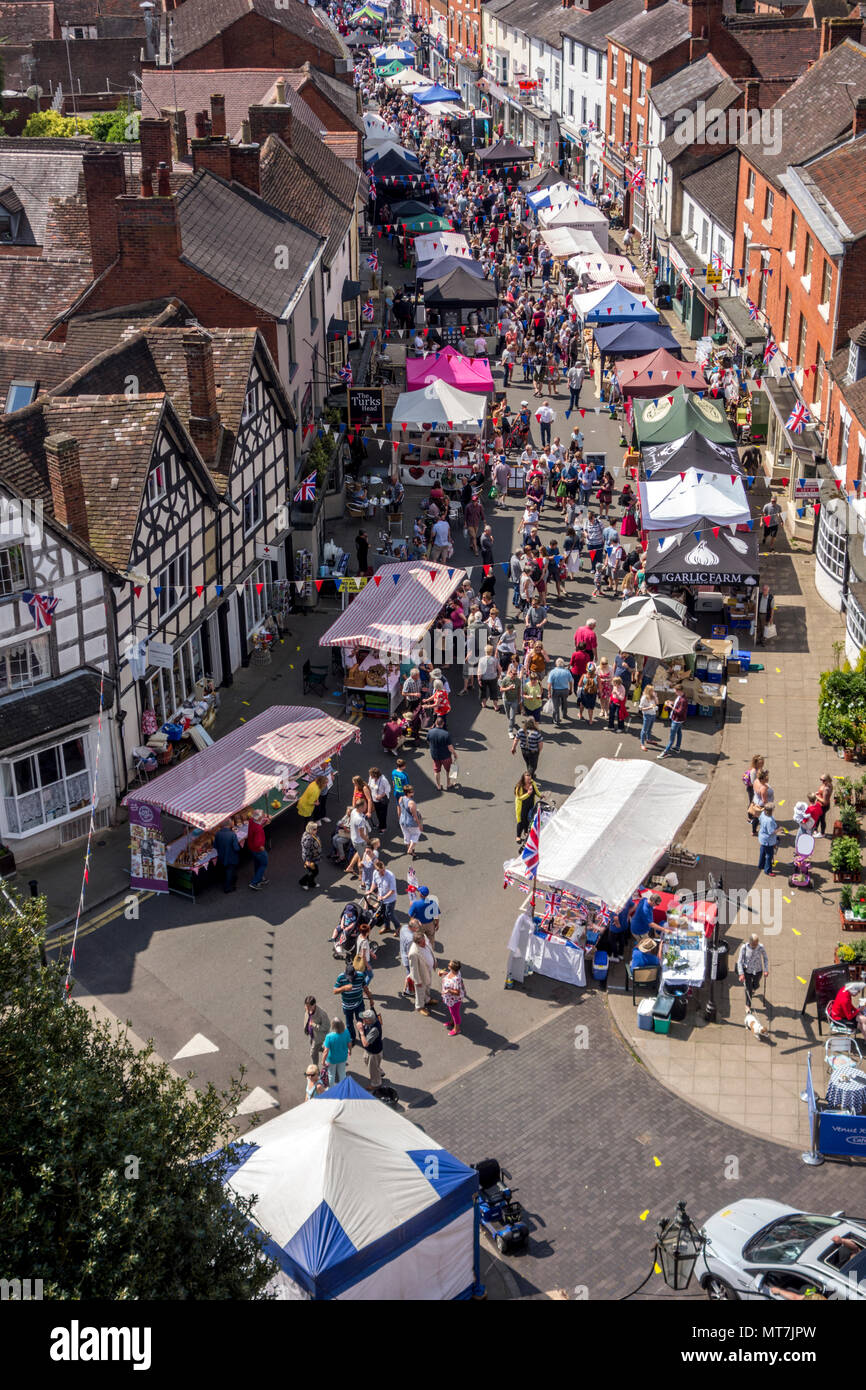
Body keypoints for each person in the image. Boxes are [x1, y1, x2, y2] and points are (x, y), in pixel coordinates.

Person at [333, 965, 371, 1045]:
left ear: (355, 973)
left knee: (361, 1022)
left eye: (351, 977)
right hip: (347, 1007)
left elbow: (365, 987)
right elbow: (335, 991)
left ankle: (362, 1037)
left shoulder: (360, 976)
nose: (350, 979)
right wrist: (344, 988)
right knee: (349, 1024)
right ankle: (352, 1038)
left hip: (359, 1004)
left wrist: (371, 999)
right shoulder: (341, 977)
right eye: (348, 977)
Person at [737, 933, 769, 1009]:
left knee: (756, 985)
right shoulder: (744, 948)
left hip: (758, 970)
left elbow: (765, 958)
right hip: (747, 971)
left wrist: (766, 970)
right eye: (753, 945)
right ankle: (748, 1005)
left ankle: (754, 988)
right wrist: (741, 973)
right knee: (748, 988)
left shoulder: (761, 947)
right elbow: (740, 961)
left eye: (756, 944)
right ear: (750, 942)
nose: (754, 946)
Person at [356, 1008, 385, 1089]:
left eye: (364, 1019)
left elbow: (365, 1043)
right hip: (371, 1050)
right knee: (366, 1060)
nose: (362, 1019)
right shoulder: (372, 1020)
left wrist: (361, 1031)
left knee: (372, 1068)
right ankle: (379, 1072)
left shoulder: (374, 1029)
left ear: (369, 1020)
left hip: (374, 1052)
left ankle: (376, 1083)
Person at [408, 931, 435, 1015]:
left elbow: (430, 950)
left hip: (428, 970)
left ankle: (427, 999)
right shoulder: (413, 953)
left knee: (428, 985)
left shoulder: (424, 939)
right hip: (420, 975)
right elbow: (413, 969)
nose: (424, 943)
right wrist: (417, 981)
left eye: (424, 941)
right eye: (422, 943)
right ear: (416, 943)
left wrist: (434, 961)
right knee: (420, 991)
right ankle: (420, 1007)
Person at [438, 960, 466, 1037]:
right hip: (450, 998)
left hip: (454, 1000)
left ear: (452, 968)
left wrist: (448, 990)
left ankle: (457, 1029)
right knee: (452, 1012)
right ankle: (452, 1021)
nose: (448, 965)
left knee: (455, 1014)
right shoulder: (455, 972)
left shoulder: (456, 979)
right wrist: (445, 973)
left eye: (449, 965)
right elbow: (451, 976)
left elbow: (457, 992)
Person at [658, 686, 688, 758]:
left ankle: (666, 752)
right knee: (679, 732)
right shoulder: (680, 697)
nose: (674, 692)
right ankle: (677, 747)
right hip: (679, 720)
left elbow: (679, 712)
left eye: (675, 690)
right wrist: (672, 703)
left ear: (678, 690)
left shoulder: (683, 700)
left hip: (677, 720)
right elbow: (678, 704)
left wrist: (670, 706)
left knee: (672, 737)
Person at [514, 771, 542, 846]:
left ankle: (526, 832)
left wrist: (540, 795)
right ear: (523, 779)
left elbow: (536, 791)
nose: (529, 781)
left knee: (528, 819)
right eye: (527, 780)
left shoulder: (532, 783)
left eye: (529, 779)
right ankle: (518, 836)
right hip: (521, 806)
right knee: (521, 822)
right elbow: (519, 798)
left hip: (530, 804)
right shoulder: (519, 786)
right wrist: (528, 794)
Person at [214, 819, 241, 894]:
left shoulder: (217, 833)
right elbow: (236, 848)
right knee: (230, 871)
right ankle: (227, 888)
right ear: (229, 825)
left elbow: (215, 846)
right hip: (231, 857)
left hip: (221, 856)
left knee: (226, 870)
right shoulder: (232, 835)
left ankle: (228, 883)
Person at [303, 995, 329, 1068]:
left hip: (318, 1037)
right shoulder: (308, 1009)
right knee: (311, 1043)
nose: (307, 1008)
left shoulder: (322, 1014)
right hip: (312, 1034)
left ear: (314, 1005)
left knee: (313, 1053)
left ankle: (315, 1068)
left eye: (309, 1007)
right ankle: (323, 1049)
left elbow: (326, 1027)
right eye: (306, 1006)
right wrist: (306, 1029)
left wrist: (314, 1025)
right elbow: (307, 1019)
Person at [322, 1016, 351, 1084]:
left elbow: (326, 1051)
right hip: (343, 1057)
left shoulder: (329, 1036)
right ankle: (343, 1087)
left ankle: (332, 1090)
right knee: (342, 1073)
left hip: (332, 1059)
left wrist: (323, 1061)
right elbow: (349, 1043)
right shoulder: (346, 1032)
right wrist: (350, 1050)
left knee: (331, 1075)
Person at [397, 784, 423, 857]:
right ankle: (410, 849)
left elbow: (400, 808)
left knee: (406, 836)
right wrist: (420, 825)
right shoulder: (411, 803)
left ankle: (410, 850)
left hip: (402, 821)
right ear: (408, 793)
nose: (413, 793)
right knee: (416, 834)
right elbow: (415, 817)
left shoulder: (401, 798)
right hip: (411, 823)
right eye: (412, 792)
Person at [246, 808, 270, 890]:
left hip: (251, 847)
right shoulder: (258, 829)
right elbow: (258, 843)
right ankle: (255, 882)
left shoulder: (251, 821)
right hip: (258, 850)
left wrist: (264, 824)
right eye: (263, 816)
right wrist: (262, 849)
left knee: (257, 863)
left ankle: (259, 877)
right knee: (264, 864)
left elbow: (257, 826)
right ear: (259, 818)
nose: (264, 816)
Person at [546, 657, 573, 725]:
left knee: (556, 705)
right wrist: (570, 689)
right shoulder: (567, 671)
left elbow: (549, 684)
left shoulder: (552, 672)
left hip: (555, 690)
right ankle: (564, 714)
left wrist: (549, 692)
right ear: (563, 664)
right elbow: (570, 681)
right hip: (565, 690)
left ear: (556, 664)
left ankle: (556, 719)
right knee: (564, 702)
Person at [299, 820, 322, 891]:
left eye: (316, 828)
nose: (316, 830)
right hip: (311, 858)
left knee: (313, 871)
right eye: (314, 829)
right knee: (314, 872)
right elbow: (306, 851)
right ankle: (303, 882)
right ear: (310, 829)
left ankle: (311, 883)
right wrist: (307, 861)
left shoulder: (311, 835)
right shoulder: (308, 838)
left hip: (314, 857)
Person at [757, 800, 778, 876]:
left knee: (762, 851)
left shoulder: (763, 814)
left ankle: (761, 865)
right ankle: (768, 870)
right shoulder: (769, 820)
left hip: (762, 837)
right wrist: (779, 830)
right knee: (769, 855)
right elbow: (771, 832)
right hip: (768, 840)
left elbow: (759, 820)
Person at [477, 643, 501, 709]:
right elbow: (499, 668)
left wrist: (479, 679)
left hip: (484, 678)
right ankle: (495, 706)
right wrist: (499, 675)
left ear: (485, 651)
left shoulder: (481, 660)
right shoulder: (495, 660)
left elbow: (479, 670)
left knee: (483, 691)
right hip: (493, 677)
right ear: (491, 652)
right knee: (494, 691)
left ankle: (484, 704)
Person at [368, 766, 390, 832]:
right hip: (375, 800)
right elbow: (369, 785)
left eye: (371, 775)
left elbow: (388, 789)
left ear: (375, 775)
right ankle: (381, 824)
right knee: (378, 813)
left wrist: (380, 796)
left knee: (382, 814)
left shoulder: (383, 780)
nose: (370, 776)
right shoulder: (371, 778)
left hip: (382, 800)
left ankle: (383, 827)